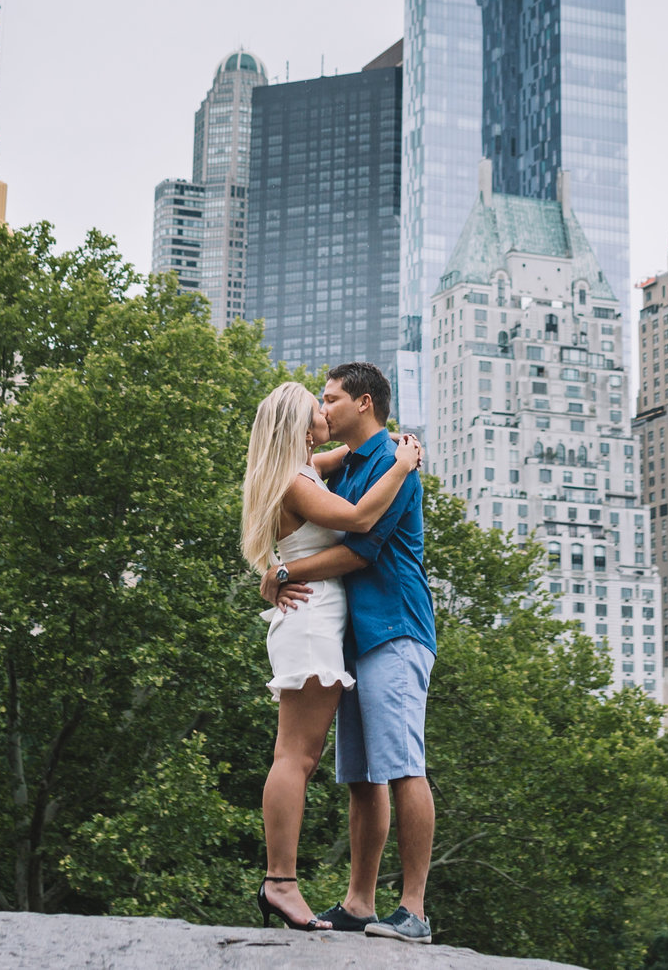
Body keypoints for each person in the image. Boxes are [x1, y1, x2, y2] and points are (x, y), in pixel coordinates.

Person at [239, 380, 425, 931]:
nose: (324, 411)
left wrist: (389, 443)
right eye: (316, 405)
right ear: (299, 425)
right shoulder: (299, 480)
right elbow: (361, 525)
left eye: (331, 400)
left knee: (311, 759)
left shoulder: (303, 466)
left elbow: (351, 446)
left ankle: (353, 899)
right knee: (296, 757)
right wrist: (402, 464)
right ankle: (280, 883)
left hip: (332, 625)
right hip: (315, 622)